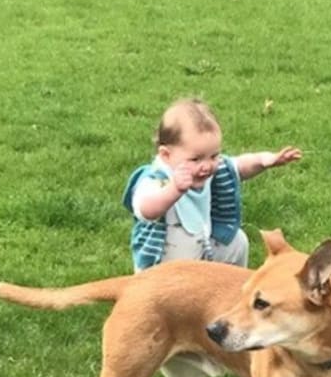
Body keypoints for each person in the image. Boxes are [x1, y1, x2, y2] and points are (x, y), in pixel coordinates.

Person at [123, 98, 301, 271]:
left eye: (214, 156)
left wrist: (264, 160)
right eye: (196, 159)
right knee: (185, 260)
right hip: (165, 264)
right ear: (166, 155)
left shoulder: (208, 169)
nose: (207, 166)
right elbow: (146, 210)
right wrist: (173, 190)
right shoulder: (156, 178)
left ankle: (232, 290)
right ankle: (187, 297)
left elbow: (239, 166)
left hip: (202, 244)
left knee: (237, 243)